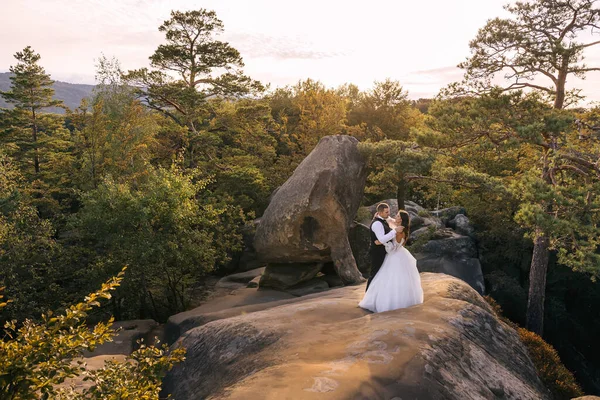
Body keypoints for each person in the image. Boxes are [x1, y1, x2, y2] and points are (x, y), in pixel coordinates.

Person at [359, 209, 424, 313]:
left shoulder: (400, 231)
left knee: (392, 278)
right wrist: (380, 216)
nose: (395, 217)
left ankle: (392, 302)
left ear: (401, 219)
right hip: (400, 254)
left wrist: (381, 242)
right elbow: (391, 220)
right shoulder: (400, 227)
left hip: (396, 254)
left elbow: (394, 246)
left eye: (398, 216)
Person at [365, 203, 404, 292]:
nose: (388, 213)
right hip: (377, 253)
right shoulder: (377, 224)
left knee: (380, 274)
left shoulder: (384, 219)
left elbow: (393, 221)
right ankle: (368, 295)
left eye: (388, 211)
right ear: (380, 212)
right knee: (375, 273)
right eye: (386, 212)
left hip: (384, 251)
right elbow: (382, 239)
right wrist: (394, 231)